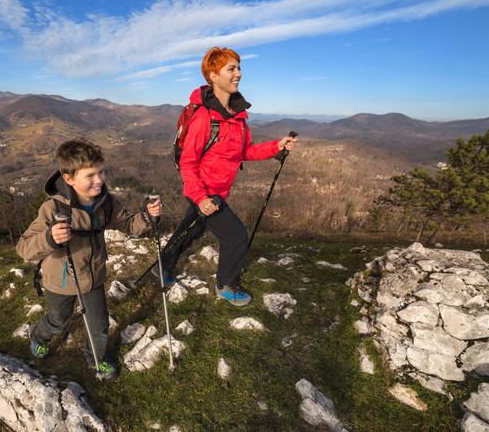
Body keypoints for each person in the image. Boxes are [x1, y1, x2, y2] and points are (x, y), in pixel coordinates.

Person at [155, 46, 297, 306]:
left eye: (239, 68)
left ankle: (161, 267)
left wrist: (275, 146)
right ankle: (226, 285)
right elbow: (187, 163)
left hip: (215, 192)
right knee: (236, 237)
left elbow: (244, 152)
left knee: (191, 229)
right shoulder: (203, 119)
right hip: (205, 193)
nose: (238, 74)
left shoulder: (237, 116)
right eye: (231, 69)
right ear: (213, 75)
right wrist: (200, 198)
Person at [16, 139, 161, 379]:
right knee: (58, 318)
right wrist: (50, 238)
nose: (100, 179)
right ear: (68, 178)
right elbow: (23, 248)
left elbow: (128, 225)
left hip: (92, 276)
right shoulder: (53, 208)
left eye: (101, 172)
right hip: (60, 281)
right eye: (91, 175)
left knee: (99, 326)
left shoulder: (106, 202)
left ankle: (96, 359)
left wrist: (147, 216)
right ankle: (38, 336)